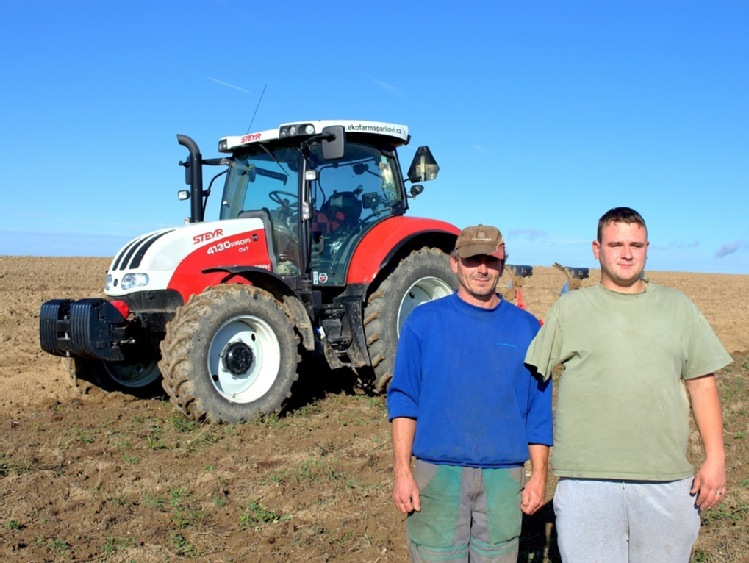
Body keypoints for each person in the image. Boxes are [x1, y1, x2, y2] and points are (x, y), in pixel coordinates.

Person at [525, 206, 732, 563]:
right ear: (596, 249)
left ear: (647, 247)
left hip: (665, 482)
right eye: (616, 244)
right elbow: (532, 384)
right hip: (586, 482)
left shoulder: (677, 307)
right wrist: (533, 467)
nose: (626, 253)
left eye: (635, 244)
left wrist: (716, 459)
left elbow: (702, 383)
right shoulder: (570, 309)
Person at [387, 224, 553, 562]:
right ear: (455, 263)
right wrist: (403, 472)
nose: (482, 269)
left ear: (502, 264)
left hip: (503, 480)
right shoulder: (424, 322)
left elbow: (539, 408)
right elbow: (404, 399)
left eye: (491, 260)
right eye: (472, 259)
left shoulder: (526, 328)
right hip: (438, 476)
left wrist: (538, 475)